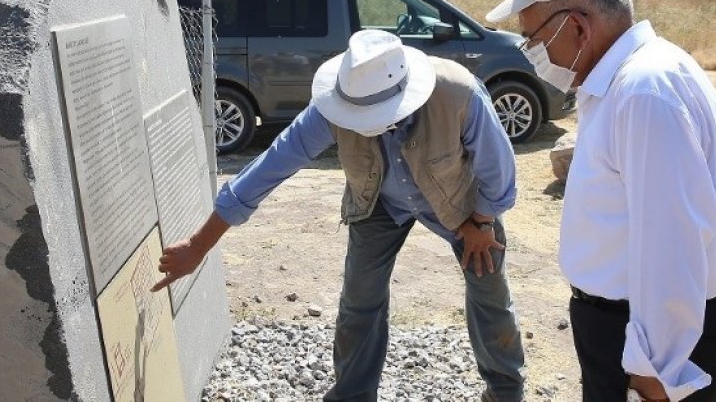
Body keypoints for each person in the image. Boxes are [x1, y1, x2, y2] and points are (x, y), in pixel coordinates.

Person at [151, 29, 526, 402]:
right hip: (376, 199)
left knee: (488, 289)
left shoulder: (458, 94)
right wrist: (200, 244)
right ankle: (353, 395)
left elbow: (500, 174)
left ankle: (505, 392)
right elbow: (271, 165)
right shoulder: (332, 108)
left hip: (463, 204)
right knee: (360, 298)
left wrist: (481, 222)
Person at [487, 0, 716, 402]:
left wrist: (656, 371)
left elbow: (675, 239)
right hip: (635, 328)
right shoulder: (627, 79)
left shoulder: (644, 92)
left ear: (576, 25)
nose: (530, 50)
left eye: (533, 38)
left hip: (658, 343)